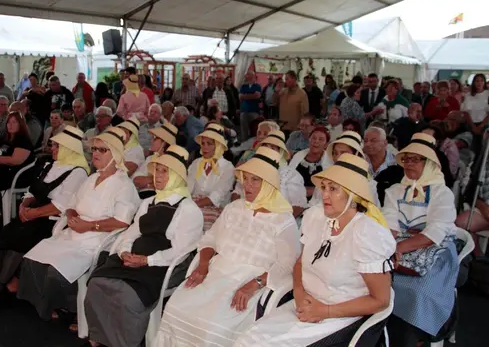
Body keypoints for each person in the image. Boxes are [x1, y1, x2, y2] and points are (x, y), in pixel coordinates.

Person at [235, 153, 394, 347]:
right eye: (324, 187)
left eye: (333, 189)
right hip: (305, 305)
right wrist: (300, 294)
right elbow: (300, 262)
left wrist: (324, 311)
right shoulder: (316, 217)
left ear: (353, 195)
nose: (324, 194)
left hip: (342, 316)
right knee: (246, 340)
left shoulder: (367, 233)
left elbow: (380, 300)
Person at [156, 146, 300, 346]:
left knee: (210, 327)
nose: (246, 185)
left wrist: (255, 284)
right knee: (175, 308)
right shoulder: (234, 208)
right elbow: (209, 240)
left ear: (269, 184)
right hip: (215, 273)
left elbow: (287, 264)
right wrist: (203, 264)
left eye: (255, 180)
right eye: (245, 178)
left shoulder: (283, 220)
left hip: (247, 281)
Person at [17, 127, 140, 321]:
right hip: (74, 231)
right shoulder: (92, 178)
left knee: (55, 271)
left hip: (95, 239)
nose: (96, 153)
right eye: (94, 149)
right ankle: (46, 305)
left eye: (102, 150)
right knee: (33, 260)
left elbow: (122, 221)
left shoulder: (124, 185)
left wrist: (90, 226)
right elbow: (71, 205)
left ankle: (65, 307)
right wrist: (73, 217)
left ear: (115, 155)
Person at [85, 145, 204, 347]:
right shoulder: (148, 202)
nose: (157, 175)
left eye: (164, 171)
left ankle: (124, 342)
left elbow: (180, 250)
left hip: (164, 264)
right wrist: (124, 251)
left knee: (128, 295)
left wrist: (147, 260)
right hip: (135, 256)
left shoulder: (188, 209)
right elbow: (133, 231)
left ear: (177, 176)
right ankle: (101, 334)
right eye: (156, 170)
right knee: (97, 283)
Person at [0, 126, 90, 299]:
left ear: (68, 149)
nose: (53, 149)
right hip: (32, 211)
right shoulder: (51, 165)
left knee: (21, 237)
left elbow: (61, 206)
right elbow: (31, 190)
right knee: (7, 232)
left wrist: (32, 213)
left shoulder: (78, 172)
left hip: (50, 219)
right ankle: (4, 281)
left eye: (57, 146)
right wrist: (24, 207)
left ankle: (5, 285)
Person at [382, 133, 458, 347]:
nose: (408, 164)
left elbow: (436, 232)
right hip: (399, 247)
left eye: (415, 159)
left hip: (436, 249)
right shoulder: (395, 191)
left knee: (418, 292)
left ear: (429, 164)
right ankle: (385, 335)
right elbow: (390, 225)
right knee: (381, 283)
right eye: (406, 159)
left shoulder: (441, 193)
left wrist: (399, 247)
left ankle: (415, 338)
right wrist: (390, 247)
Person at [309, 131, 382, 209]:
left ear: (356, 155)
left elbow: (372, 212)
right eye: (335, 153)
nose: (338, 157)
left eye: (344, 153)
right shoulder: (325, 178)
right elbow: (313, 204)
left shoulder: (367, 184)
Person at [132, 122, 178, 199]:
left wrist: (147, 181)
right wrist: (153, 180)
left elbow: (168, 186)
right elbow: (136, 180)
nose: (151, 140)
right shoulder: (150, 158)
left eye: (155, 138)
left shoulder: (174, 162)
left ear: (164, 143)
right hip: (143, 197)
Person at [288, 126, 331, 201]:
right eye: (313, 138)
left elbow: (330, 187)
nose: (316, 141)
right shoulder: (298, 156)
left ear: (326, 144)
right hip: (294, 197)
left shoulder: (329, 162)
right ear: (309, 140)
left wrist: (313, 191)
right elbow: (287, 178)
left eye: (321, 139)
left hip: (319, 201)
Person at [239, 71, 262, 142]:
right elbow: (240, 97)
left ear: (252, 76)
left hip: (254, 111)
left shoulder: (258, 86)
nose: (246, 76)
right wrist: (252, 95)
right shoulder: (243, 86)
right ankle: (244, 143)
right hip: (244, 111)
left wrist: (245, 96)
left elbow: (257, 96)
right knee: (244, 129)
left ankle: (254, 143)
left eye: (248, 74)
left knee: (255, 128)